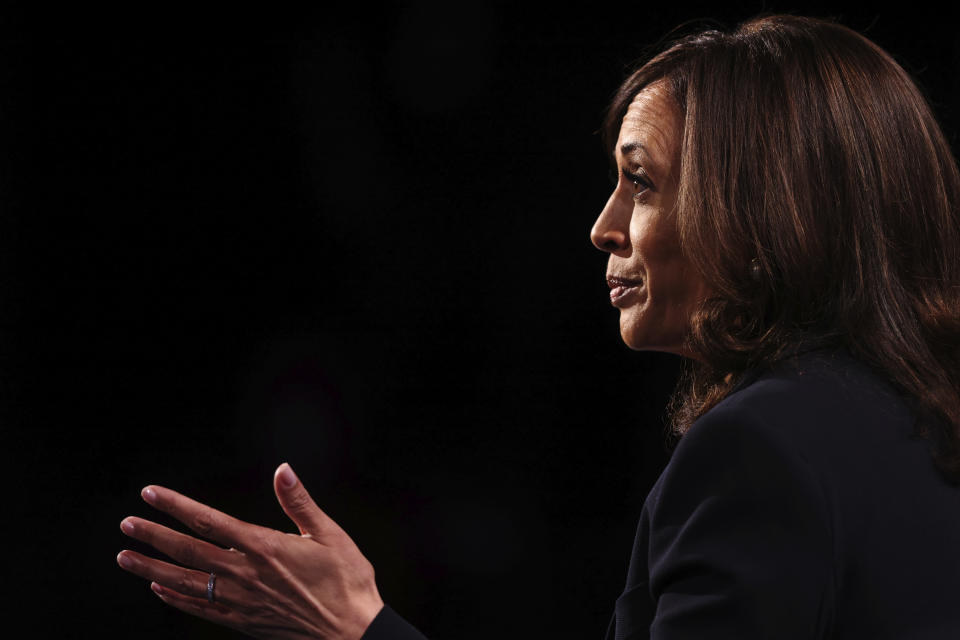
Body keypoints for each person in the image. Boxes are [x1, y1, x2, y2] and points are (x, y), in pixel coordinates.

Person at [117, 14, 960, 639]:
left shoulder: (760, 446)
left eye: (644, 183)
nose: (604, 225)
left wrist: (359, 625)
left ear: (762, 211)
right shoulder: (924, 421)